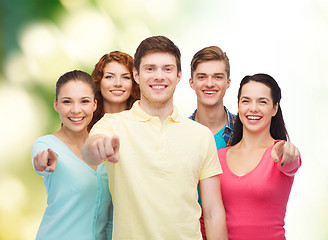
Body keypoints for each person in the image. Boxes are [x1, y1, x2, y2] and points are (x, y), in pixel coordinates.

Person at [82, 36, 228, 240]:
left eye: (167, 69)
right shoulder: (113, 125)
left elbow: (212, 212)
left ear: (178, 76)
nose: (159, 76)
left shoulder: (201, 135)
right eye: (150, 69)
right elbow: (89, 150)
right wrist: (98, 147)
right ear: (136, 75)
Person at [31, 70, 113, 240]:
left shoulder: (105, 148)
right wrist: (44, 163)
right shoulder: (46, 145)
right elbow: (41, 161)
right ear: (56, 105)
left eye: (84, 101)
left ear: (95, 105)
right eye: (67, 102)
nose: (76, 110)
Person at [218, 73, 301, 240]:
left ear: (275, 108)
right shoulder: (219, 156)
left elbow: (292, 162)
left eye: (262, 102)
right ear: (239, 106)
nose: (253, 108)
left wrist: (290, 153)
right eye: (246, 101)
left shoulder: (280, 153)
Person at [189, 46, 236, 239]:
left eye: (217, 77)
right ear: (191, 82)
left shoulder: (245, 132)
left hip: (239, 230)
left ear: (228, 82)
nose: (210, 83)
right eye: (202, 77)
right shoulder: (179, 134)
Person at [88, 51, 140, 131]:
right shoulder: (85, 125)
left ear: (134, 83)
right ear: (98, 82)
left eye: (125, 77)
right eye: (109, 77)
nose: (118, 83)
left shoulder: (145, 124)